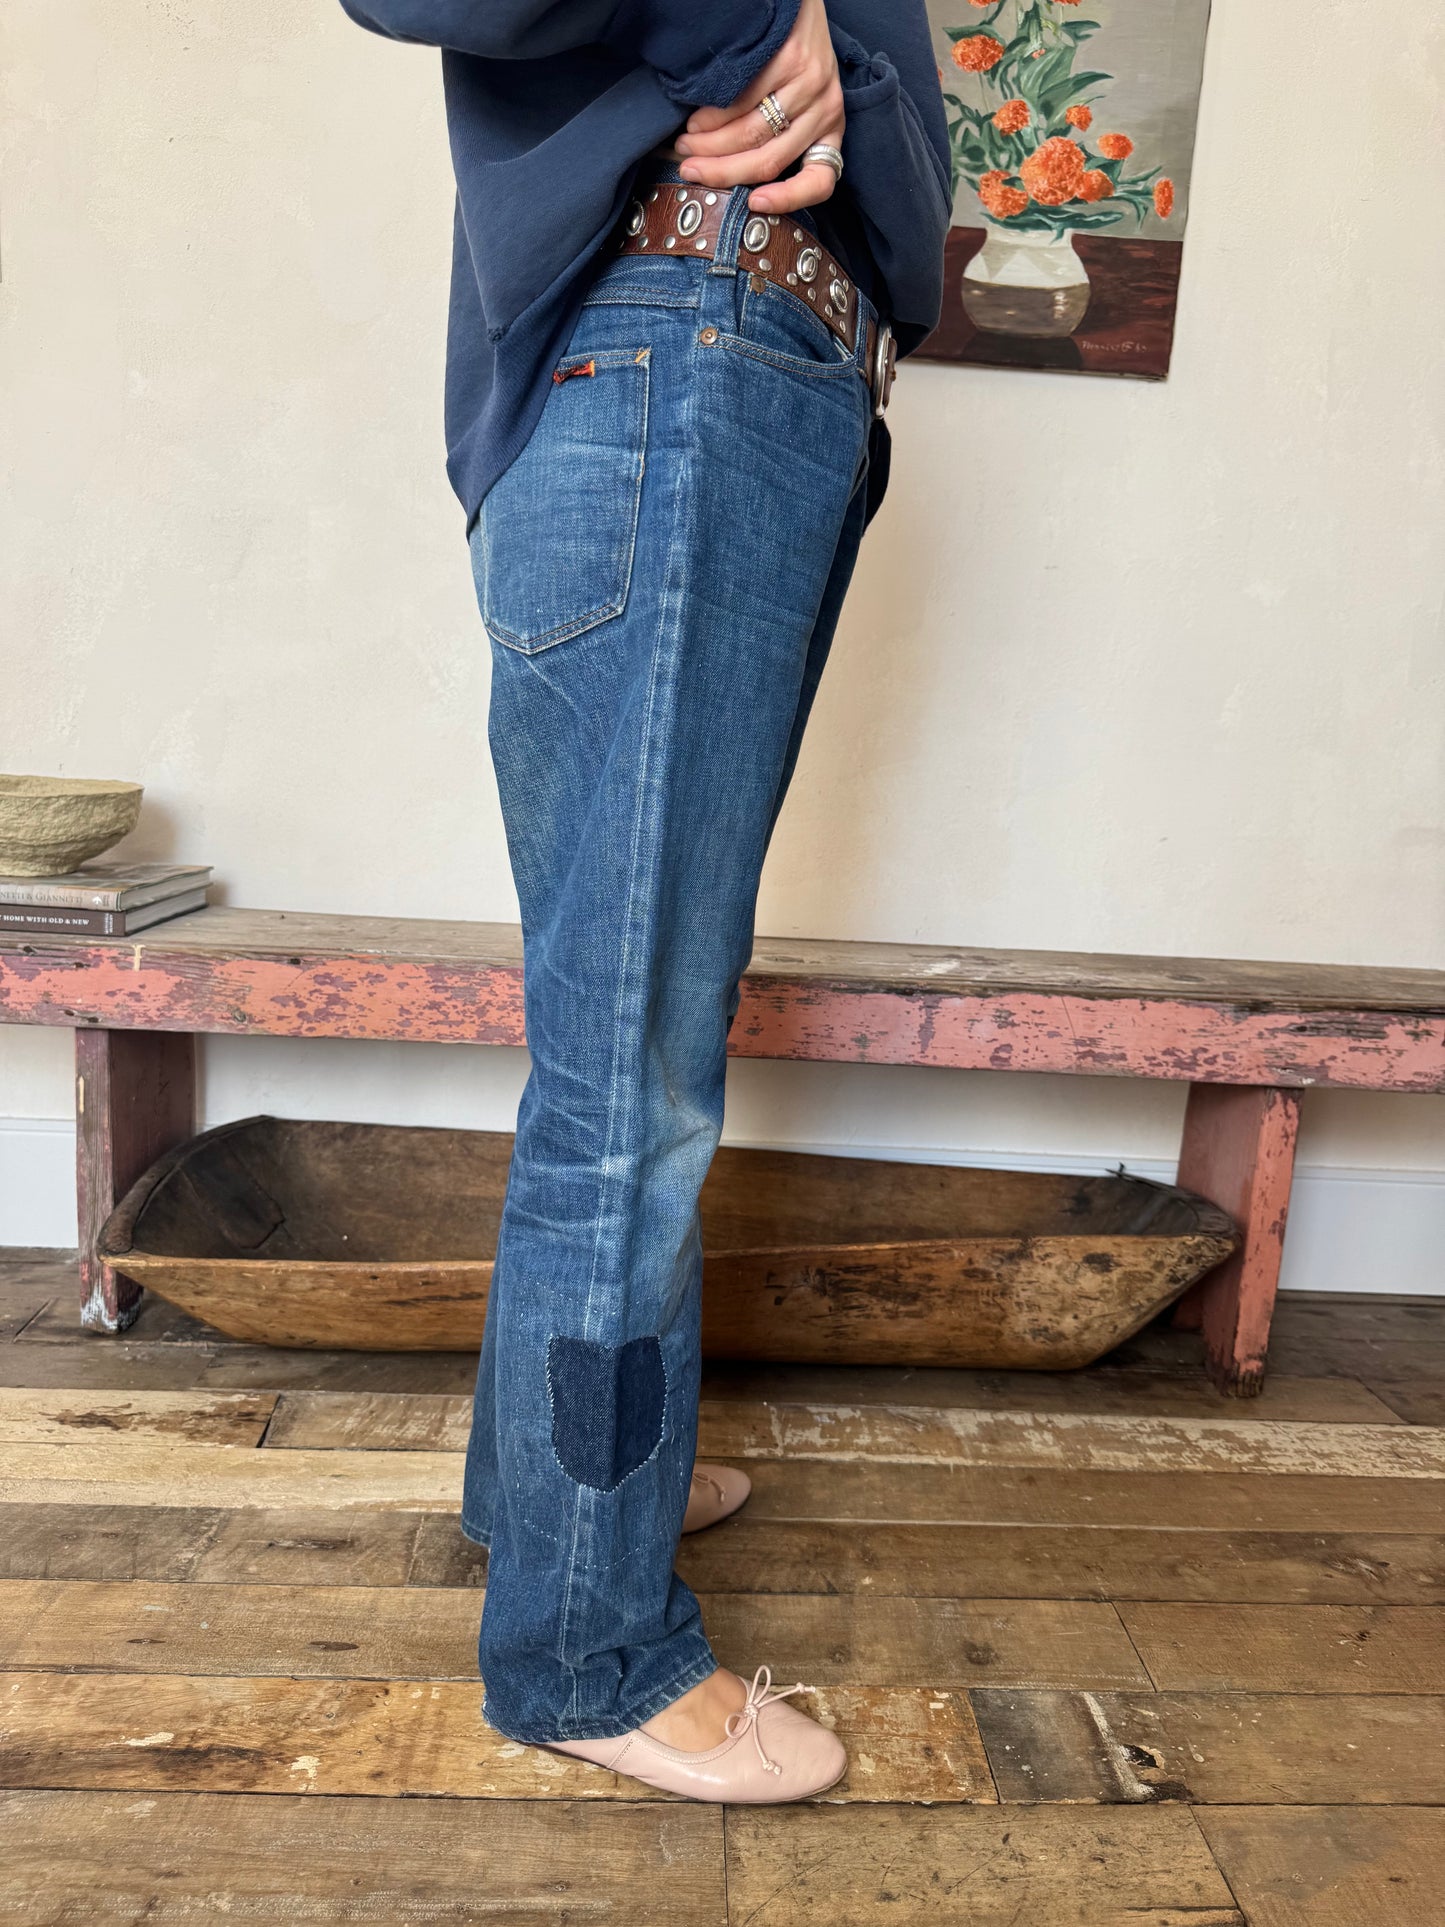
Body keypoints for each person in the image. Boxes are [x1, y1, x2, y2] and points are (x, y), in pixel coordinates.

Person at [338, 0, 950, 1802]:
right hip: (686, 356)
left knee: (625, 1033)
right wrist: (742, 15)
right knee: (632, 1079)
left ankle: (560, 1495)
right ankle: (585, 1653)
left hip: (734, 377)